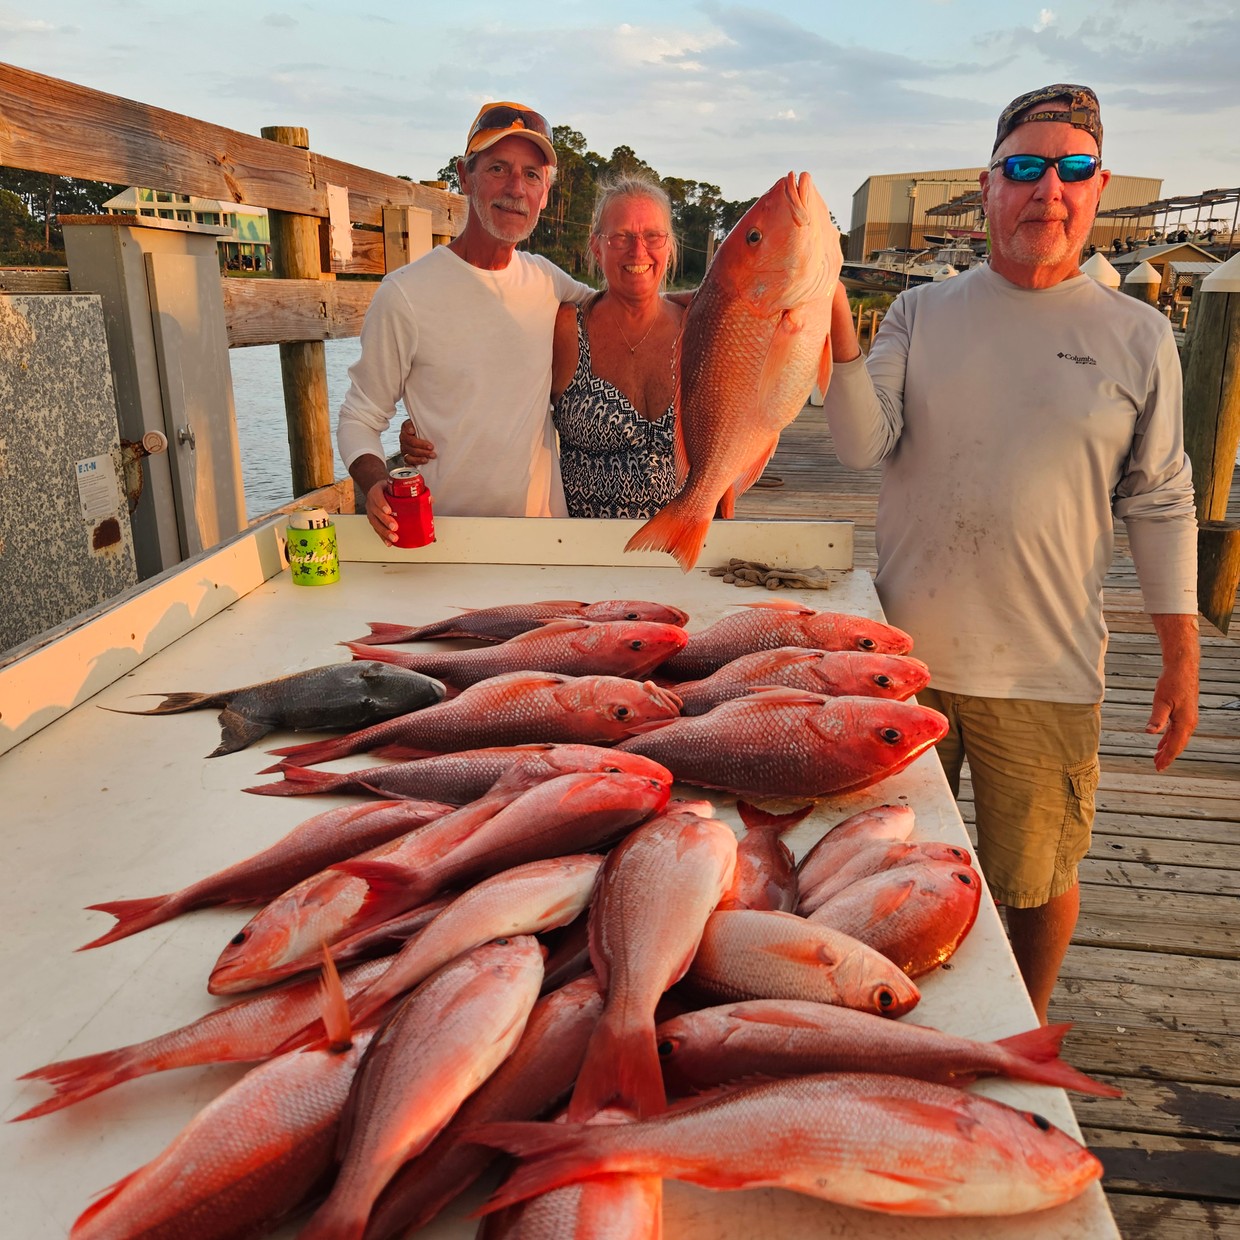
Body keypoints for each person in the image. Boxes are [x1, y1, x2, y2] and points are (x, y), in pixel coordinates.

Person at [821, 83, 1200, 1024]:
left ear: (1098, 186)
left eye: (1072, 168)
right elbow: (858, 446)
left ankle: (1022, 1031)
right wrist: (832, 324)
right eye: (1025, 167)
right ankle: (889, 1023)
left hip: (1048, 670)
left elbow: (1160, 499)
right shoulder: (920, 315)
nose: (1048, 190)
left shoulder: (1140, 335)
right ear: (990, 187)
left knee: (1037, 879)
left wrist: (1182, 649)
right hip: (902, 663)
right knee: (888, 871)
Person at [336, 101, 594, 542]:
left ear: (544, 194)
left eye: (532, 175)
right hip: (444, 539)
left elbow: (633, 310)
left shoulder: (548, 281)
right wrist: (375, 482)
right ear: (465, 175)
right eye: (498, 168)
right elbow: (360, 416)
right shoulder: (404, 293)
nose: (515, 188)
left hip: (543, 537)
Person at [550, 175, 685, 518]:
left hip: (688, 549)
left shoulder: (697, 328)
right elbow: (502, 400)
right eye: (621, 236)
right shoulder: (565, 327)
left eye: (653, 236)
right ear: (597, 246)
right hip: (586, 556)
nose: (638, 250)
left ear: (669, 246)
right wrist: (430, 432)